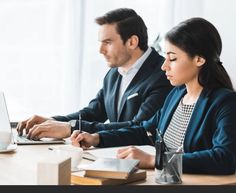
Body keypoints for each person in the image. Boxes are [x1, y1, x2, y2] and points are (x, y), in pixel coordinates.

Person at [71, 17, 236, 175]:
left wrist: (154, 160)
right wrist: (97, 138)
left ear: (199, 59)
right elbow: (145, 131)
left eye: (172, 58)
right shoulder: (177, 95)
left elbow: (224, 158)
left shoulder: (225, 102)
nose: (164, 66)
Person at [16, 8, 172, 139]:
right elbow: (94, 113)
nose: (101, 50)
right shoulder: (113, 74)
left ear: (132, 42)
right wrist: (51, 121)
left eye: (108, 42)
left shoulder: (163, 74)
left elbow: (139, 128)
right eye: (101, 43)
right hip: (115, 156)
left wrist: (71, 128)